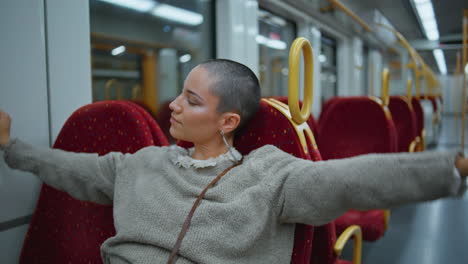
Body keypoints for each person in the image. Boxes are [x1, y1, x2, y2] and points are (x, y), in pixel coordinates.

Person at [0, 59, 467, 264]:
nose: (173, 108)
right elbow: (67, 169)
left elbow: (351, 181)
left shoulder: (268, 175)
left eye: (191, 101)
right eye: (179, 96)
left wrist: (453, 167)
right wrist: (10, 147)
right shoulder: (138, 164)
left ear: (227, 121)